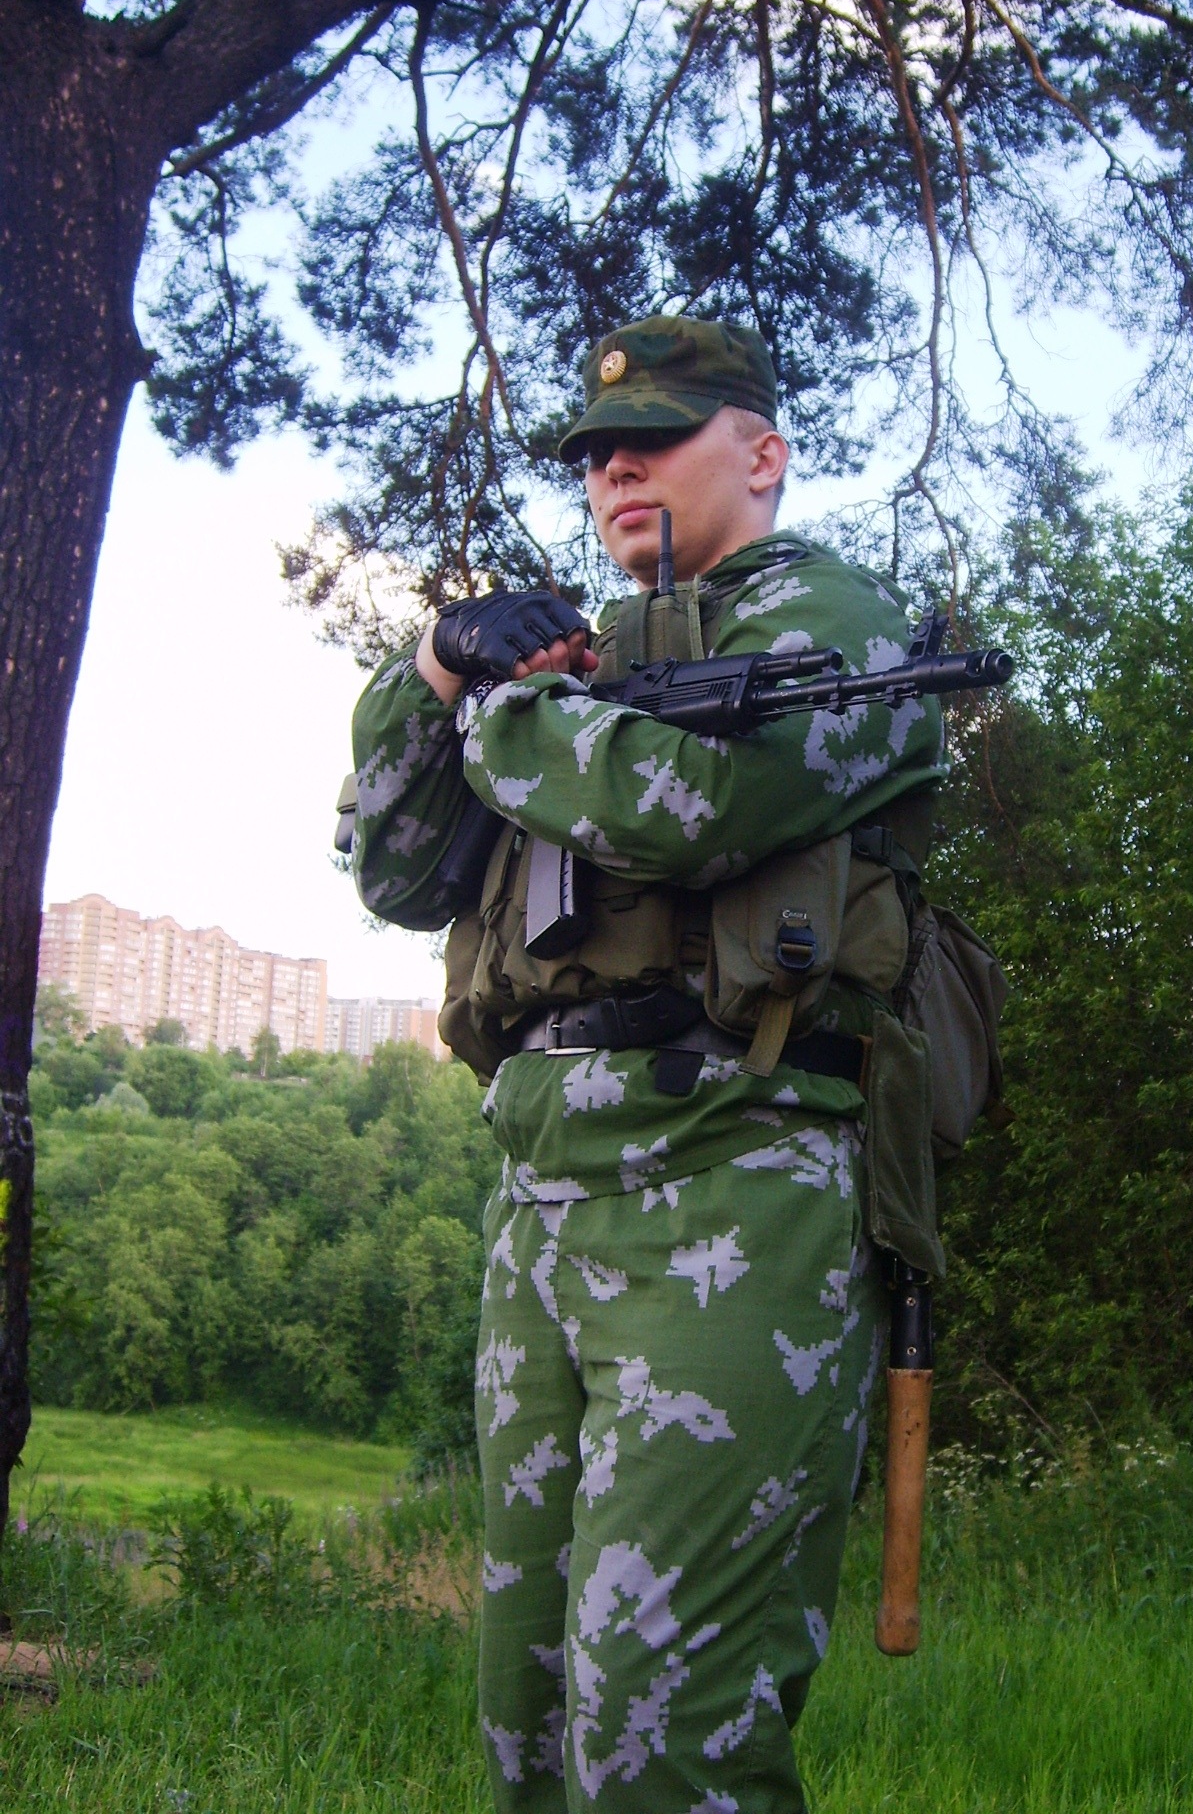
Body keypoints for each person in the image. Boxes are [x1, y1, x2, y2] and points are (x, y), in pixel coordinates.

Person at [350, 316, 947, 1812]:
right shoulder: (580, 660)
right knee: (530, 1721)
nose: (617, 468)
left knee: (668, 1737)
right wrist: (433, 664)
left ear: (763, 454)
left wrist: (504, 710)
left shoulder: (835, 624)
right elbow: (395, 868)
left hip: (731, 1186)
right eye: (598, 454)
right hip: (543, 1202)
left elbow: (693, 809)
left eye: (658, 438)